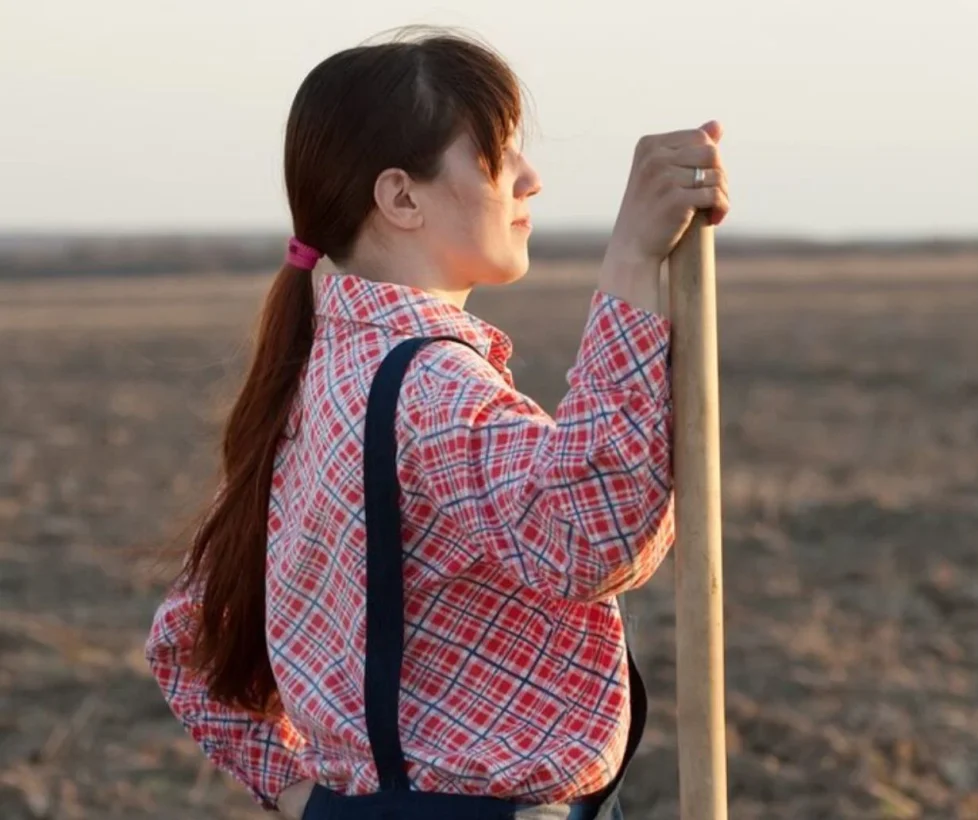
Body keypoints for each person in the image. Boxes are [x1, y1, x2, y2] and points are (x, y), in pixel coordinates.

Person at [145, 27, 729, 820]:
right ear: (401, 197)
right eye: (498, 155)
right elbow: (593, 528)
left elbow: (185, 638)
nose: (530, 180)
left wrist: (310, 804)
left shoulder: (312, 382)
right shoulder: (427, 388)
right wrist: (630, 262)